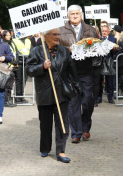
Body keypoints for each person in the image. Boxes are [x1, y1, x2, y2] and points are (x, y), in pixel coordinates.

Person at [25, 28, 83, 163]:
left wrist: (78, 87)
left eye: (58, 34)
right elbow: (29, 70)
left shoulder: (63, 50)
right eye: (54, 34)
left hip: (62, 92)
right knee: (45, 124)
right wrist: (42, 67)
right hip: (44, 93)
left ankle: (61, 151)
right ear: (46, 36)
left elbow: (71, 71)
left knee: (62, 123)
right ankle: (45, 148)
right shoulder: (37, 51)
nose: (57, 37)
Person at [59, 4, 99, 143]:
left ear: (81, 15)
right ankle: (76, 133)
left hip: (86, 71)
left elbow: (97, 47)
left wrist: (92, 50)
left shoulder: (91, 29)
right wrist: (67, 49)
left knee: (88, 101)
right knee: (72, 104)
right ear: (68, 15)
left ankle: (85, 127)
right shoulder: (61, 30)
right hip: (69, 73)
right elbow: (56, 48)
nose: (75, 16)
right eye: (72, 14)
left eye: (77, 13)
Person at [3, 30, 28, 106]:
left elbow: (16, 52)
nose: (9, 36)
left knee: (18, 81)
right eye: (7, 35)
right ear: (4, 36)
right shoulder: (4, 44)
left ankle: (17, 97)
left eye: (9, 35)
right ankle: (6, 100)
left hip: (15, 64)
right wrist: (13, 61)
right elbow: (5, 54)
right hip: (9, 65)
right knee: (8, 83)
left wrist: (16, 60)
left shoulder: (12, 42)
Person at [98, 24, 116, 104]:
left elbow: (115, 50)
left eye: (105, 31)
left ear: (109, 32)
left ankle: (110, 97)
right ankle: (99, 97)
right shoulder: (98, 39)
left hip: (109, 61)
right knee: (99, 80)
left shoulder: (113, 39)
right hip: (100, 62)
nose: (104, 33)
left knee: (110, 81)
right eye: (103, 31)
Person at [113, 25, 123, 98]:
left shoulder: (120, 40)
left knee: (121, 77)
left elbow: (120, 50)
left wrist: (115, 57)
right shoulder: (122, 39)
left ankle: (122, 92)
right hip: (121, 61)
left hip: (120, 61)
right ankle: (120, 92)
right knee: (120, 77)